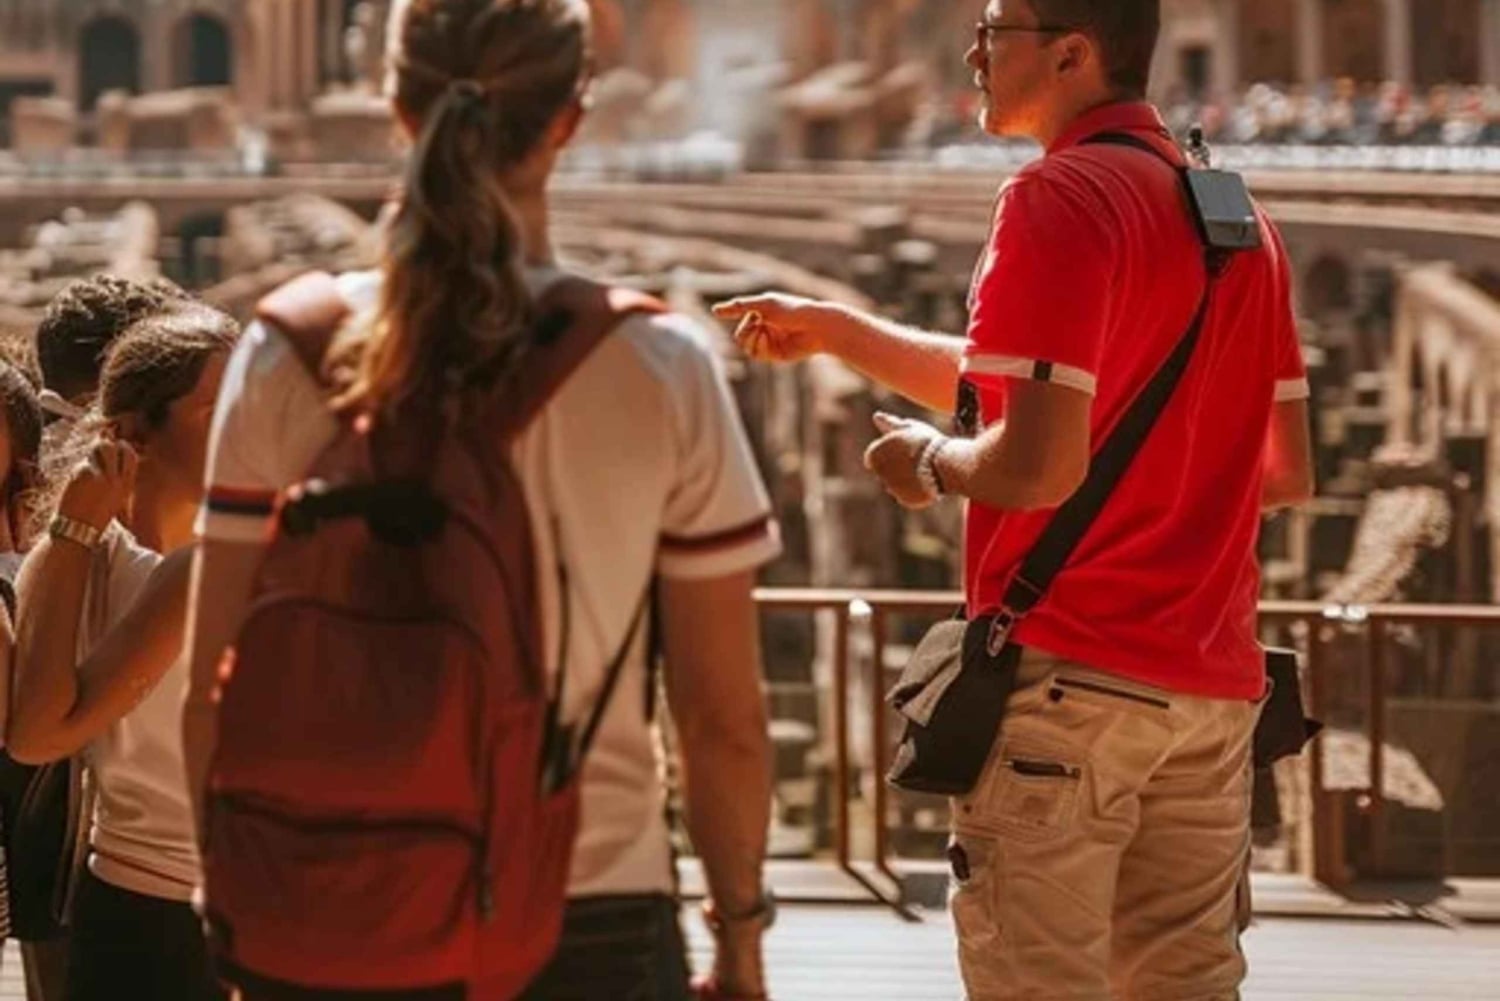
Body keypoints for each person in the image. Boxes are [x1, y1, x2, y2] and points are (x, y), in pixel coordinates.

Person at [715, 1, 1316, 998]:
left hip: (1067, 694)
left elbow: (1037, 465)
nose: (973, 52)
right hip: (1212, 694)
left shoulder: (1058, 197)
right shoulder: (1240, 219)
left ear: (1071, 52)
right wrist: (840, 331)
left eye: (995, 29)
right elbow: (1281, 467)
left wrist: (929, 460)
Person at [181, 1, 778, 998]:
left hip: (332, 898)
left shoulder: (280, 353)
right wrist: (744, 937)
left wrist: (245, 890)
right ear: (571, 118)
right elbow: (723, 719)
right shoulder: (659, 364)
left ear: (394, 106)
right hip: (588, 904)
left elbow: (210, 687)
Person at [8, 305, 238, 1001]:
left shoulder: (73, 547)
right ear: (134, 431)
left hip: (117, 908)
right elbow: (36, 734)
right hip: (190, 920)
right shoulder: (191, 572)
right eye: (217, 409)